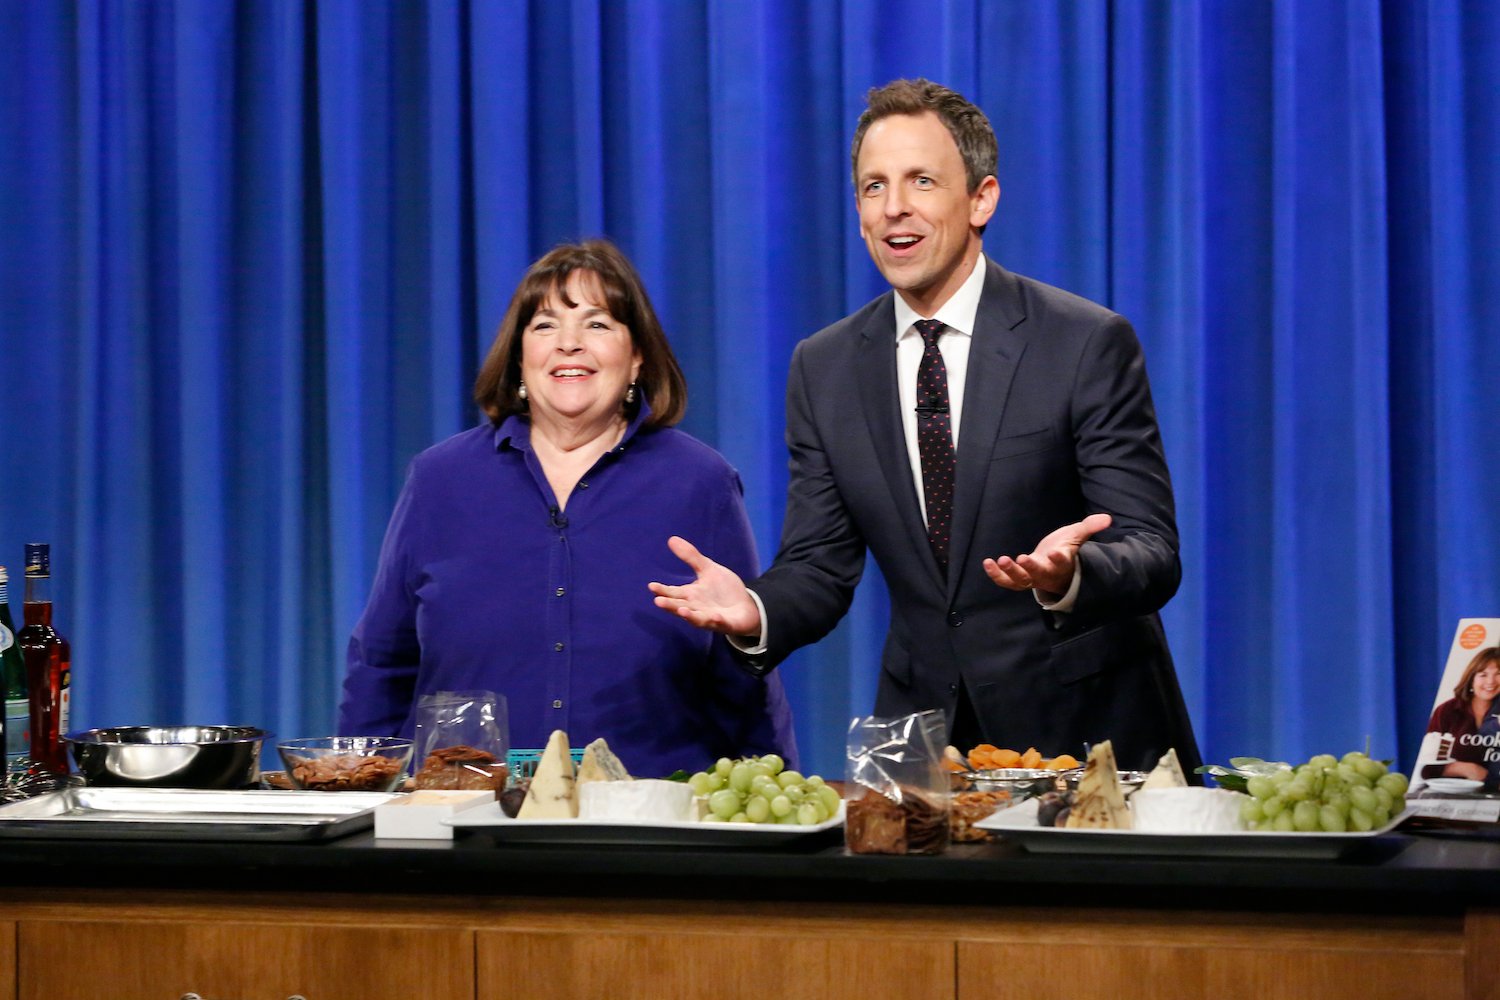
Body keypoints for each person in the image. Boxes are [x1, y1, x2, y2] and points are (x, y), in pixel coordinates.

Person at [650, 79, 1198, 773]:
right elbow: (820, 564)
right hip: (921, 744)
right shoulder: (826, 367)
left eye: (921, 181)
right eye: (873, 188)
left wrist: (1071, 574)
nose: (894, 208)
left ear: (981, 199)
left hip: (1087, 735)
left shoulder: (1083, 342)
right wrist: (755, 610)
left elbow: (1152, 548)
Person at [339, 239, 797, 777]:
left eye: (598, 324)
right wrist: (358, 800)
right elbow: (381, 664)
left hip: (649, 822)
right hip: (466, 819)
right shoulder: (439, 481)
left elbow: (741, 672)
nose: (570, 344)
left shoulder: (702, 483)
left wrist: (773, 800)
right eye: (545, 326)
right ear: (518, 358)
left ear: (637, 358)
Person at [1424, 647, 1500, 783]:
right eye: (1483, 675)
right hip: (1454, 797)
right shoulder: (1448, 711)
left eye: (1498, 674)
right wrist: (1464, 768)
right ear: (1471, 678)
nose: (1491, 681)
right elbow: (1427, 767)